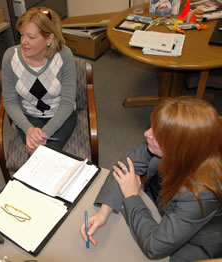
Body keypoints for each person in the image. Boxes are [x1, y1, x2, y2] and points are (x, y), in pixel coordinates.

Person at [81, 97, 222, 261]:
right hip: (157, 207)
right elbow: (125, 167)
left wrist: (132, 196)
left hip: (189, 244)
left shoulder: (202, 193)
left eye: (157, 133)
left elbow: (154, 247)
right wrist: (104, 212)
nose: (147, 133)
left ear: (178, 147)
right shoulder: (174, 143)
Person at [1, 7, 77, 155]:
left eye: (31, 37)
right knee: (40, 155)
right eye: (22, 35)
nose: (23, 42)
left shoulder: (64, 56)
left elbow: (67, 103)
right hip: (29, 117)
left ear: (49, 38)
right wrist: (28, 129)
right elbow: (10, 101)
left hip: (61, 115)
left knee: (44, 154)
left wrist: (44, 134)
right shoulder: (10, 57)